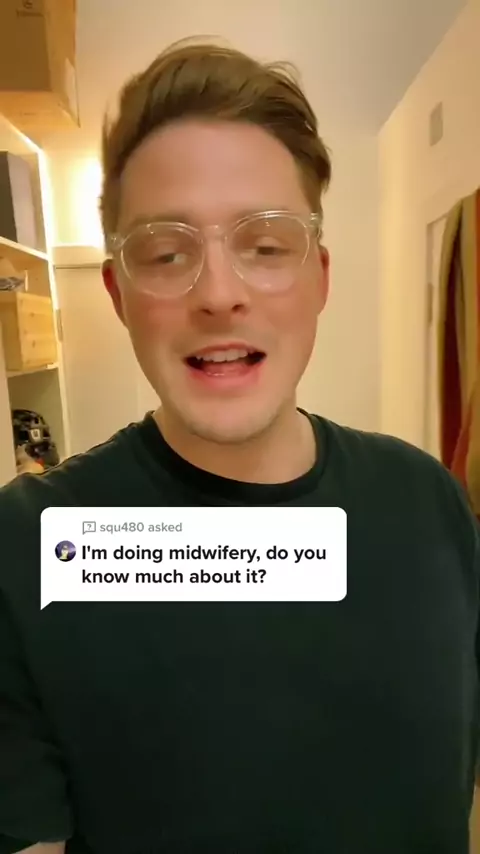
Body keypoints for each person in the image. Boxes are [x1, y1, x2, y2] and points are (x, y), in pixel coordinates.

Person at [0, 36, 478, 854]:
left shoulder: (426, 501)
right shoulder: (29, 550)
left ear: (320, 276)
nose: (219, 294)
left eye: (265, 246)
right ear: (118, 294)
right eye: (166, 253)